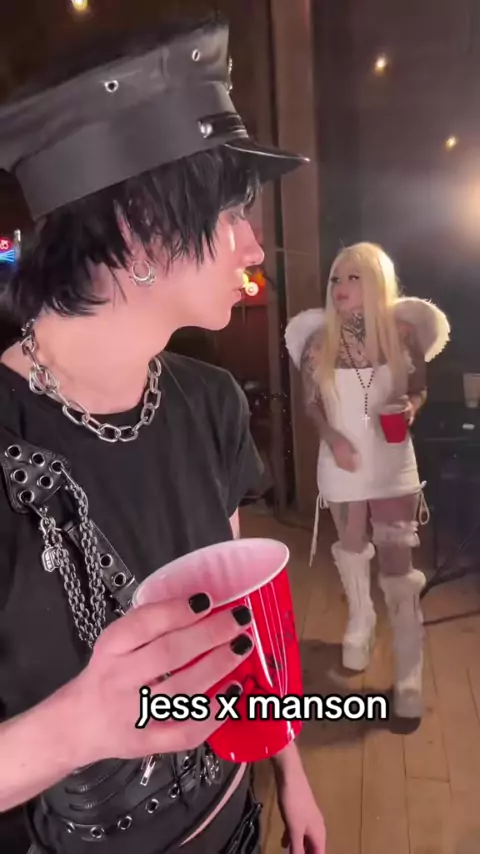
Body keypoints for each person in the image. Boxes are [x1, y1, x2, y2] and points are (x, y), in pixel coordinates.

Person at [0, 15, 327, 854]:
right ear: (136, 224)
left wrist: (290, 771)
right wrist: (77, 725)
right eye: (232, 212)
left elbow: (243, 623)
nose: (253, 243)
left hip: (237, 824)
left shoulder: (208, 402)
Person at [285, 242, 450, 720]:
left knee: (399, 565)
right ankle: (361, 618)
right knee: (351, 545)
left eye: (353, 277)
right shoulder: (318, 343)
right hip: (340, 461)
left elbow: (418, 388)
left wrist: (409, 408)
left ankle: (409, 665)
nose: (341, 287)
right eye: (336, 278)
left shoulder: (402, 335)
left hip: (393, 460)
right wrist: (332, 436)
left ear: (377, 281)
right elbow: (312, 404)